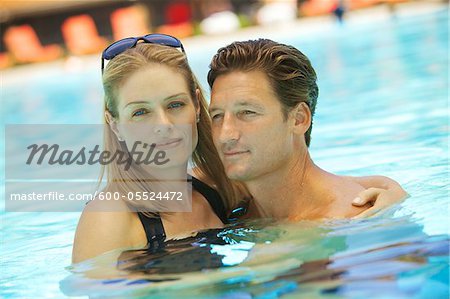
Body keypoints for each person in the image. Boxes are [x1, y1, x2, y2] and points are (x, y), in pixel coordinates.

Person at [72, 35, 403, 264]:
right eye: (139, 112)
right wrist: (259, 268)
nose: (164, 125)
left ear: (196, 108)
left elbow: (300, 183)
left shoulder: (219, 187)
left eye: (175, 105)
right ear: (114, 123)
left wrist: (388, 191)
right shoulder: (109, 217)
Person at [207, 39, 407, 220]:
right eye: (217, 116)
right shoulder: (239, 209)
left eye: (247, 112)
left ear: (299, 119)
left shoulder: (347, 218)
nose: (225, 134)